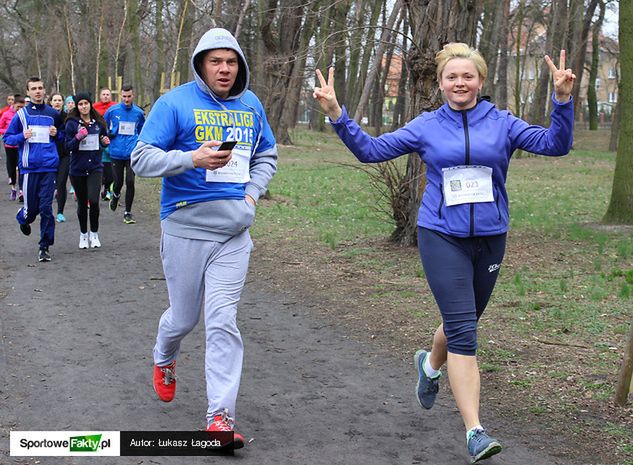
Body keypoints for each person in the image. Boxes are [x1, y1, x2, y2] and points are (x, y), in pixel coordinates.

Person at [313, 44, 575, 463]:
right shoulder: (427, 126)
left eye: (467, 76)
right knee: (465, 333)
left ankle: (429, 365)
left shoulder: (503, 122)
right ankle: (475, 430)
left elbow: (556, 144)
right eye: (451, 77)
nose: (460, 83)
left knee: (464, 320)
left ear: (481, 81)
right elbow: (371, 151)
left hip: (490, 236)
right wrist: (337, 115)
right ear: (440, 83)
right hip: (441, 235)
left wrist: (561, 100)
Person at [131, 27, 277, 446]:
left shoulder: (250, 105)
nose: (225, 69)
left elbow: (267, 153)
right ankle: (164, 355)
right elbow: (141, 158)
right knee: (183, 318)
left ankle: (220, 418)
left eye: (231, 62)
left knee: (222, 322)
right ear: (200, 64)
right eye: (216, 61)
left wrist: (251, 194)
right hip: (185, 228)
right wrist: (191, 158)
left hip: (234, 233)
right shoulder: (173, 103)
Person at [3, 77, 63, 262]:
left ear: (44, 91)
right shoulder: (21, 116)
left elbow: (63, 138)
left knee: (46, 208)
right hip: (29, 169)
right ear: (28, 92)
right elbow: (7, 138)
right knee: (31, 211)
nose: (38, 91)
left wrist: (57, 134)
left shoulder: (53, 114)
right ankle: (23, 218)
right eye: (34, 89)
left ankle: (44, 246)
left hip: (48, 166)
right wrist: (22, 136)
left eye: (40, 88)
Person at [64, 92, 110, 248]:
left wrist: (104, 142)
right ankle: (83, 234)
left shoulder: (99, 123)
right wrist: (77, 138)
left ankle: (94, 233)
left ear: (91, 104)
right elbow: (67, 146)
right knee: (82, 203)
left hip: (95, 167)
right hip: (77, 168)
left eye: (86, 103)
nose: (84, 106)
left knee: (94, 201)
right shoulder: (72, 123)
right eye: (80, 104)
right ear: (77, 106)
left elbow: (103, 140)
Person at [104, 84, 144, 223]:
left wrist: (139, 143)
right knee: (119, 182)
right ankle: (115, 194)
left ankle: (128, 212)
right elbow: (104, 126)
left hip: (131, 152)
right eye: (124, 97)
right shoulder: (112, 110)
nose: (126, 99)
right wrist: (109, 133)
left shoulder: (138, 113)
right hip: (116, 152)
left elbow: (141, 130)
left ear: (133, 96)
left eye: (129, 96)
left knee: (130, 182)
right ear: (121, 96)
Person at [49, 93, 70, 222]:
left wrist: (58, 134)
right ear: (50, 102)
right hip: (49, 155)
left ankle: (60, 212)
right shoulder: (46, 116)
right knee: (50, 184)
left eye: (59, 100)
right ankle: (46, 210)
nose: (57, 102)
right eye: (55, 100)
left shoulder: (67, 118)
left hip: (64, 154)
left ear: (63, 102)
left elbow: (69, 135)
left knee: (61, 182)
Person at [0, 95, 25, 200]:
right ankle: (13, 187)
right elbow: (0, 128)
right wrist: (9, 133)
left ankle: (21, 191)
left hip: (21, 144)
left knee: (20, 167)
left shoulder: (24, 115)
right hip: (9, 145)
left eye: (22, 107)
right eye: (18, 107)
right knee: (11, 166)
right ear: (13, 105)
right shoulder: (6, 114)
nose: (19, 109)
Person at [93, 88, 116, 201]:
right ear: (100, 96)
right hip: (97, 138)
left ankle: (108, 188)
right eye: (104, 94)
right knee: (100, 165)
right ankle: (101, 187)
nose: (106, 96)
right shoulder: (94, 107)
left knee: (110, 167)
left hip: (112, 137)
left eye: (108, 94)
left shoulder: (115, 107)